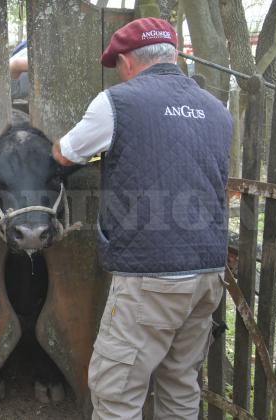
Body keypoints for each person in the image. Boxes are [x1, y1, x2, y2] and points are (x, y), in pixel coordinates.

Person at [51, 17, 233, 419]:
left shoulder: (118, 102)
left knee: (117, 391)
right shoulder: (217, 110)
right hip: (207, 273)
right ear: (172, 54)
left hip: (151, 276)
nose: (119, 71)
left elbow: (65, 153)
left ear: (128, 60)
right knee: (180, 383)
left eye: (117, 64)